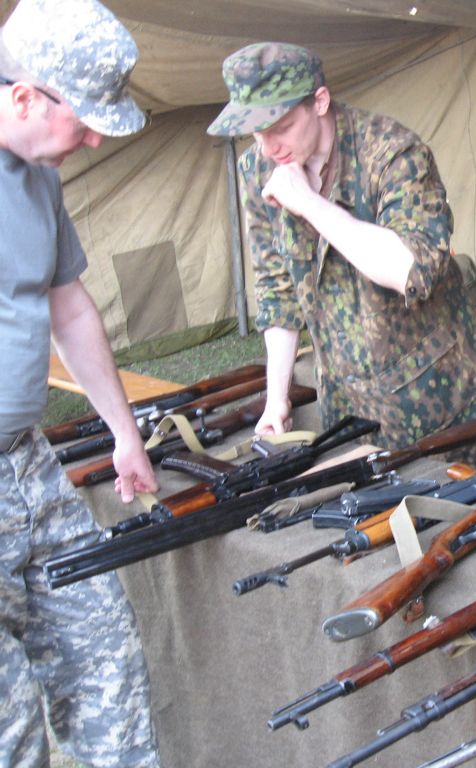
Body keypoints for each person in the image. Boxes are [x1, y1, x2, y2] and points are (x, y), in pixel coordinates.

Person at [0, 0, 162, 765]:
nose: (96, 139)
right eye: (86, 120)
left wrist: (124, 434)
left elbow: (68, 307)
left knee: (107, 658)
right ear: (24, 97)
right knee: (10, 729)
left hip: (26, 463)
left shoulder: (37, 176)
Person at [207, 43, 476, 466]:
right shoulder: (260, 169)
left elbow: (412, 269)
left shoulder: (393, 153)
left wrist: (309, 203)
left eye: (280, 127)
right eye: (255, 132)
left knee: (459, 501)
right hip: (345, 403)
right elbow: (277, 288)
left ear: (320, 102)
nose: (268, 148)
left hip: (434, 397)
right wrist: (276, 398)